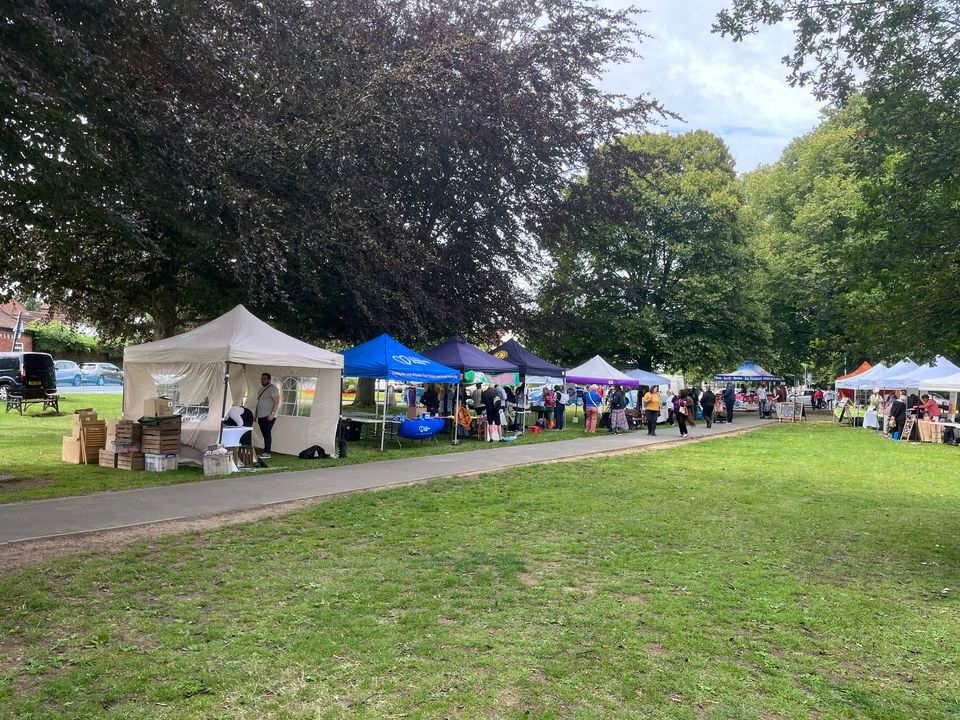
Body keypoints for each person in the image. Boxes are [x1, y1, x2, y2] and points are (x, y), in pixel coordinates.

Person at [254, 372, 280, 458]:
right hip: (261, 416)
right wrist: (256, 415)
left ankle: (267, 452)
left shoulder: (273, 388)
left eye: (264, 379)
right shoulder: (260, 390)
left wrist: (272, 414)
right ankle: (265, 451)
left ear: (269, 380)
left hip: (268, 416)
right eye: (261, 379)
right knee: (265, 434)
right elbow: (259, 403)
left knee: (267, 433)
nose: (262, 380)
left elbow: (276, 402)